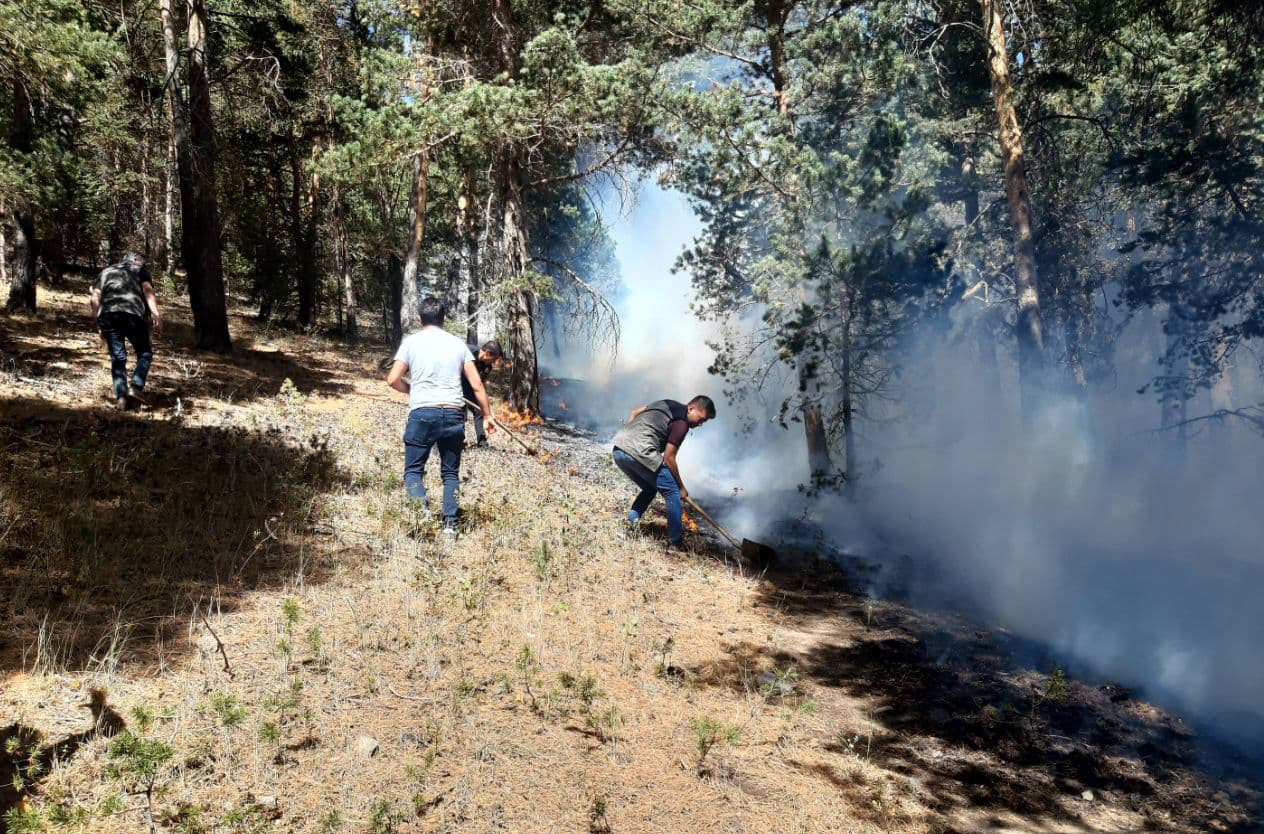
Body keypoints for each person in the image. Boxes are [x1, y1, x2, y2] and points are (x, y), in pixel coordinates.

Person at [386, 296, 496, 535]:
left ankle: (423, 511)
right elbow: (477, 384)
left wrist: (412, 390)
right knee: (449, 473)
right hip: (453, 413)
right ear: (444, 319)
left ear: (419, 318)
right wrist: (487, 415)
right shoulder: (458, 344)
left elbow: (393, 379)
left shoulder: (410, 342)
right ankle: (449, 526)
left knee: (414, 471)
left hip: (422, 412)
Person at [611, 395, 717, 548]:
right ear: (691, 408)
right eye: (701, 419)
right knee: (672, 492)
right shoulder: (682, 423)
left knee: (650, 488)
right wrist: (681, 487)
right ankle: (677, 543)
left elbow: (635, 412)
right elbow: (669, 457)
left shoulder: (666, 403)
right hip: (640, 453)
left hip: (619, 449)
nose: (700, 424)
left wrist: (631, 435)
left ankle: (631, 524)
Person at [89, 252, 162, 410]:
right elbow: (147, 289)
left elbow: (94, 298)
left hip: (107, 316)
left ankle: (121, 398)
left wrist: (97, 322)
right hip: (132, 314)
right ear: (134, 260)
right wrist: (155, 313)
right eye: (142, 261)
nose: (143, 264)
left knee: (118, 358)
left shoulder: (106, 272)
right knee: (145, 353)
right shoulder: (139, 270)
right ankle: (135, 387)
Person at [461, 340, 503, 446]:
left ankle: (482, 439)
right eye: (493, 359)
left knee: (480, 411)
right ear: (487, 353)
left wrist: (487, 409)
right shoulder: (467, 351)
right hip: (456, 385)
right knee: (461, 412)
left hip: (472, 388)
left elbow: (481, 385)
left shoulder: (487, 367)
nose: (494, 362)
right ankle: (459, 439)